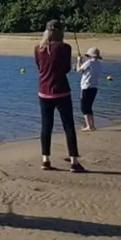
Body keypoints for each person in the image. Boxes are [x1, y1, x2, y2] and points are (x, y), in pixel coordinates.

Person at [34, 20, 85, 172]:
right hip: (61, 90)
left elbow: (39, 67)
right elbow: (66, 69)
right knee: (68, 126)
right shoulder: (65, 47)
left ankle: (45, 160)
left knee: (46, 125)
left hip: (44, 91)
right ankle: (74, 162)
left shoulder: (38, 48)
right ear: (61, 32)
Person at [76, 47, 104, 132]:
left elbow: (78, 71)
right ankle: (92, 125)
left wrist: (78, 61)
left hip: (86, 87)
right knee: (89, 107)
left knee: (84, 107)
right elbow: (86, 71)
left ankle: (89, 126)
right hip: (94, 87)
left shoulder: (89, 62)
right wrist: (81, 63)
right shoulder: (99, 64)